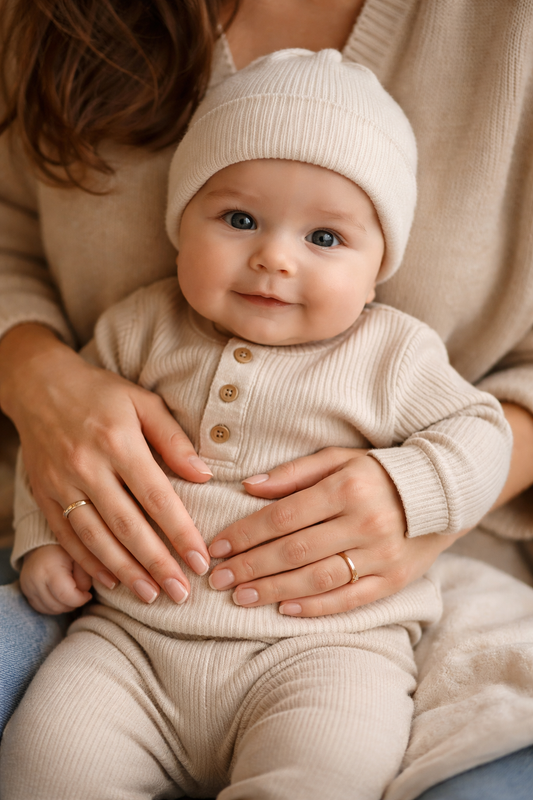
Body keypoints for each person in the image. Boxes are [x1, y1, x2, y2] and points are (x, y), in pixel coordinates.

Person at [0, 1, 533, 797]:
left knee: (325, 770)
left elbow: (478, 433)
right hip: (132, 636)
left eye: (323, 239)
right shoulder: (138, 327)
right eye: (239, 219)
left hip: (328, 646)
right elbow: (57, 451)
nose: (273, 260)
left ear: (381, 260)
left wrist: (408, 493)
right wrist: (42, 542)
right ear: (182, 223)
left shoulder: (393, 353)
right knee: (46, 762)